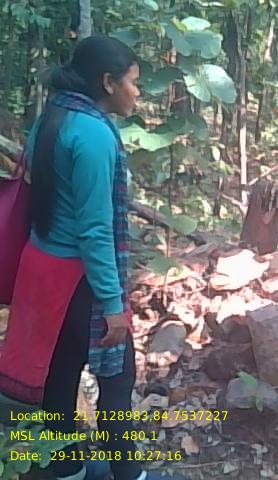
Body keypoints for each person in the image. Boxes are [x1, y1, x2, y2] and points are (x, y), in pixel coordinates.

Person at [0, 36, 164, 480]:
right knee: (117, 381)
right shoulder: (93, 135)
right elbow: (95, 230)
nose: (137, 92)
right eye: (133, 82)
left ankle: (64, 467)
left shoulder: (52, 115)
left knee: (59, 374)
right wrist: (112, 304)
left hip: (41, 267)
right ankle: (128, 474)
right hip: (78, 279)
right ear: (109, 82)